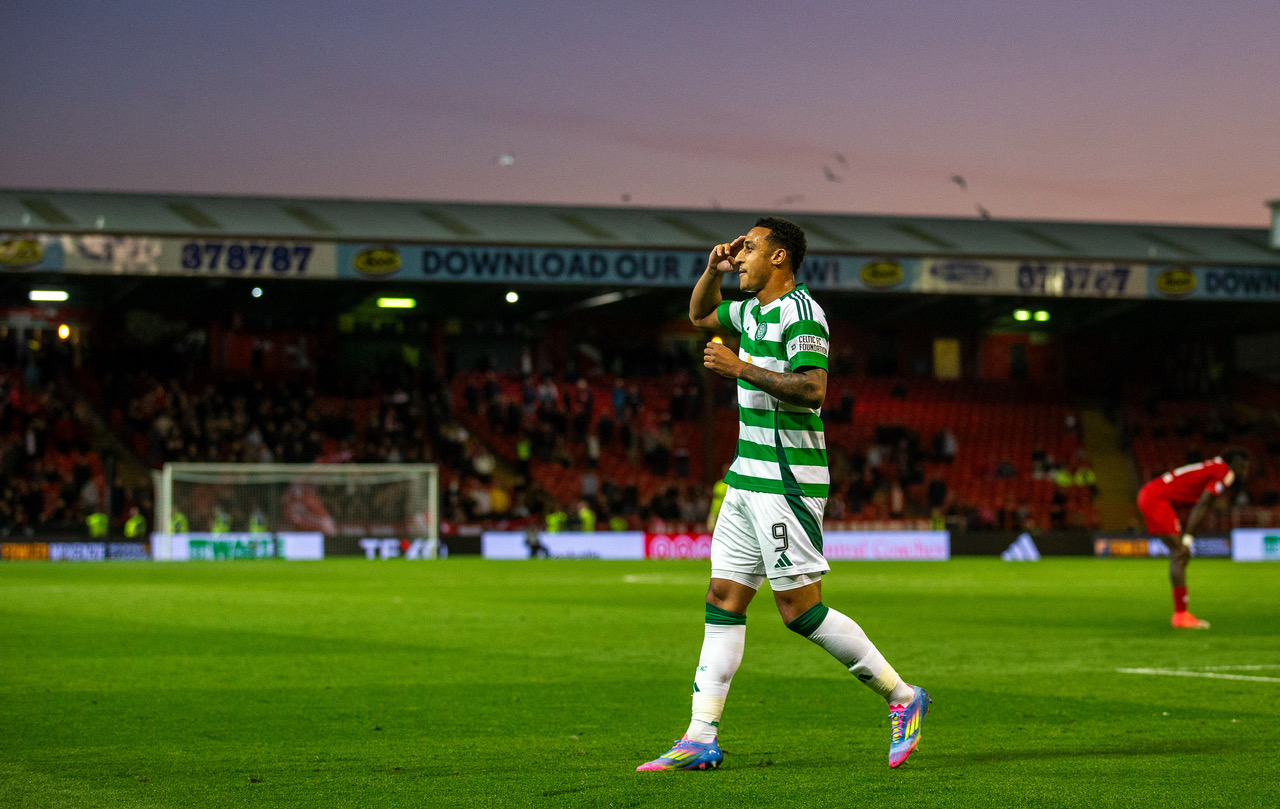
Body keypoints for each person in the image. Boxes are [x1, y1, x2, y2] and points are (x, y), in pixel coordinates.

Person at [637, 218, 929, 773]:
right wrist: (710, 268)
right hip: (748, 476)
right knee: (723, 596)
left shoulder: (803, 313)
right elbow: (699, 315)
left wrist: (740, 367)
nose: (740, 252)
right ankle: (700, 737)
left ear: (779, 257)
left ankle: (902, 696)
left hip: (789, 478)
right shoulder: (747, 311)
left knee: (799, 610)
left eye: (749, 247)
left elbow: (813, 389)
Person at [1136, 449, 1250, 629]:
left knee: (1181, 554)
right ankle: (1181, 615)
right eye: (1243, 466)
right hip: (1157, 499)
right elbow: (1203, 503)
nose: (1245, 471)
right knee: (1180, 553)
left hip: (1153, 495)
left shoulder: (1214, 466)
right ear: (1234, 462)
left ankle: (1181, 612)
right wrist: (1188, 537)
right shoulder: (1225, 472)